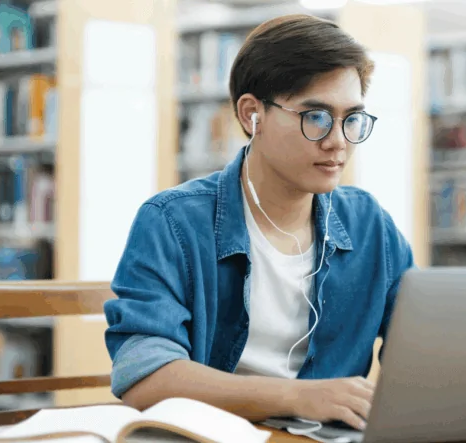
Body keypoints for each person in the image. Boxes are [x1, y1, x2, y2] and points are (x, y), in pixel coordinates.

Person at [103, 13, 415, 431]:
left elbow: (422, 356)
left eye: (352, 118)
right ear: (253, 115)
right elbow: (144, 376)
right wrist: (301, 397)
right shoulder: (171, 222)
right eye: (316, 116)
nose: (338, 140)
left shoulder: (370, 225)